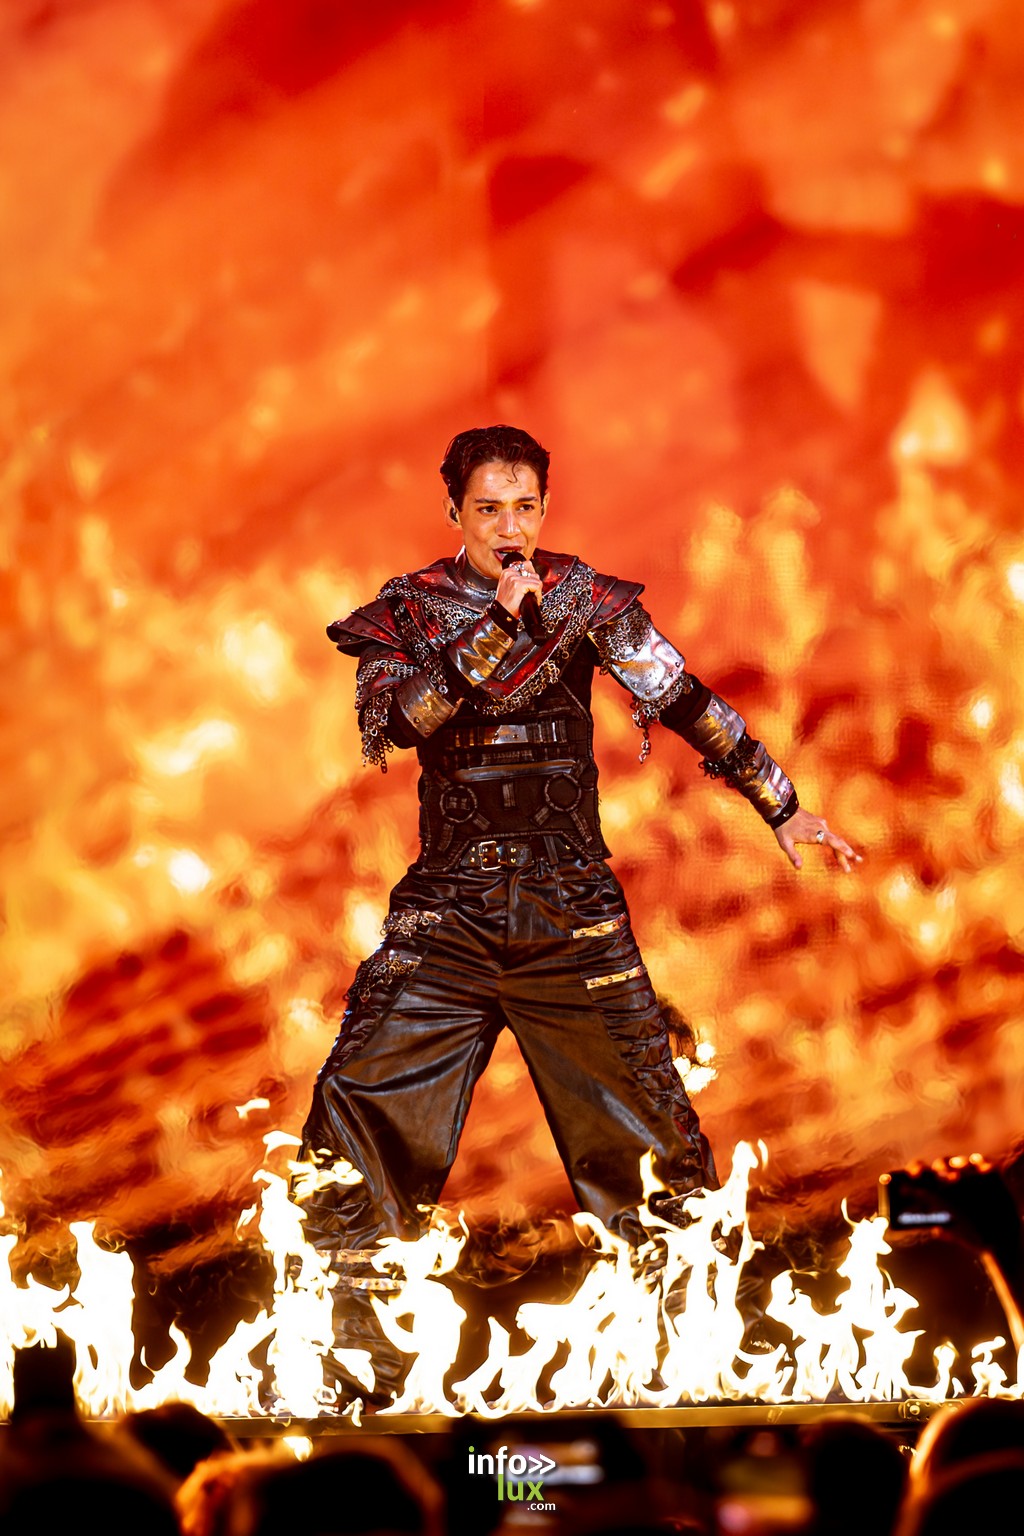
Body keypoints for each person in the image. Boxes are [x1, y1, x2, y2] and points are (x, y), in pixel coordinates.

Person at [297, 424, 859, 1402]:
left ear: (545, 509)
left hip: (569, 913)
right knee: (357, 1116)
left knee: (652, 1147)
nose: (508, 527)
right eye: (487, 510)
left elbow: (685, 699)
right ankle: (356, 1372)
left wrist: (779, 801)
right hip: (449, 913)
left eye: (524, 508)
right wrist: (492, 627)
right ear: (454, 513)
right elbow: (395, 723)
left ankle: (686, 1362)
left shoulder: (587, 601)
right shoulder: (410, 613)